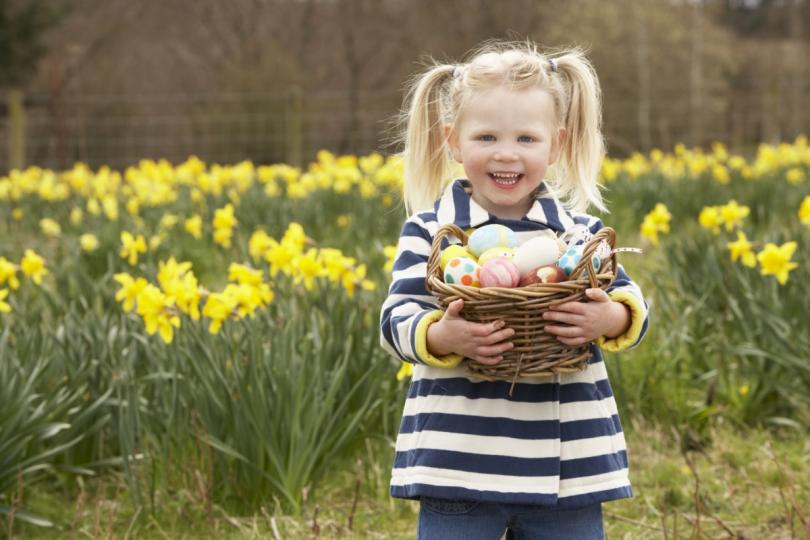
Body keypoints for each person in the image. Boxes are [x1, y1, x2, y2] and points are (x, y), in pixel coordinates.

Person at [379, 40, 649, 539]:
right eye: (486, 137)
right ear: (453, 143)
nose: (506, 153)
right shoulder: (433, 232)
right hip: (459, 460)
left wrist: (608, 319)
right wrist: (441, 336)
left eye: (527, 138)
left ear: (557, 144)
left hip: (570, 468)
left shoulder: (578, 236)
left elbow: (633, 304)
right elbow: (395, 319)